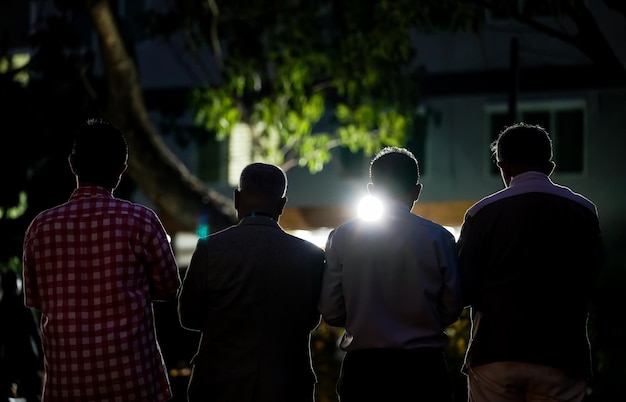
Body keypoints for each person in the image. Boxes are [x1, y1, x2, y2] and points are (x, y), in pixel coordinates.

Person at [22, 118, 181, 402]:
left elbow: (35, 299)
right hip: (135, 385)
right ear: (121, 170)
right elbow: (169, 288)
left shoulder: (40, 228)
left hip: (66, 387)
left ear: (72, 164)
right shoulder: (142, 222)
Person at [457, 122, 603, 402]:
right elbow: (592, 280)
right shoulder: (584, 211)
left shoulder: (482, 213)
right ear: (549, 167)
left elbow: (462, 287)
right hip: (562, 353)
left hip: (494, 350)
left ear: (505, 167)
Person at [318, 146, 463, 402]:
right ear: (417, 191)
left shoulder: (342, 237)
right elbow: (451, 307)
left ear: (371, 190)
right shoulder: (439, 238)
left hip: (364, 369)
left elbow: (331, 310)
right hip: (424, 368)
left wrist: (361, 319)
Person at [178, 162, 326, 402]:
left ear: (237, 199)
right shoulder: (311, 256)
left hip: (219, 383)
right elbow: (311, 320)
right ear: (281, 205)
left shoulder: (211, 249)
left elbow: (189, 316)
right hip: (287, 385)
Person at [0, 269, 43, 402]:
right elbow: (35, 332)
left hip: (8, 357)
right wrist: (41, 357)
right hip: (26, 356)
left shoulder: (2, 307)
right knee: (32, 395)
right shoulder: (23, 306)